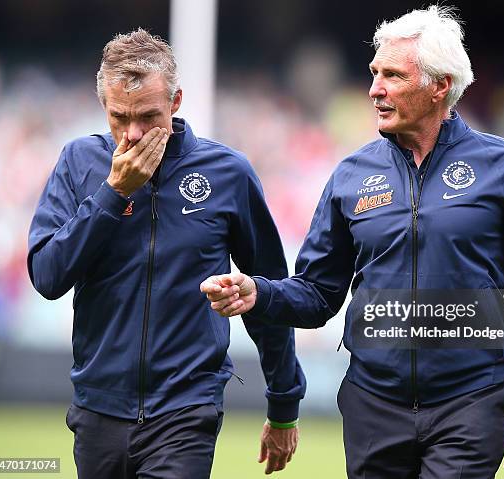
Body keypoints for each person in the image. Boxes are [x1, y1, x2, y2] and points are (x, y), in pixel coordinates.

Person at [201, 6, 504, 478]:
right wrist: (260, 292)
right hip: (371, 405)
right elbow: (318, 295)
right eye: (375, 74)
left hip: (471, 401)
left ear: (440, 85)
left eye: (392, 76)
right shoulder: (351, 175)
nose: (374, 89)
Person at [27, 28, 305, 479]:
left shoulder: (227, 173)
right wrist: (114, 193)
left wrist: (284, 402)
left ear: (176, 102)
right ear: (104, 106)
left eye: (148, 116)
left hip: (187, 410)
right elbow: (47, 276)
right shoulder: (77, 163)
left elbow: (266, 292)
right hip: (98, 408)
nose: (133, 133)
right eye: (120, 116)